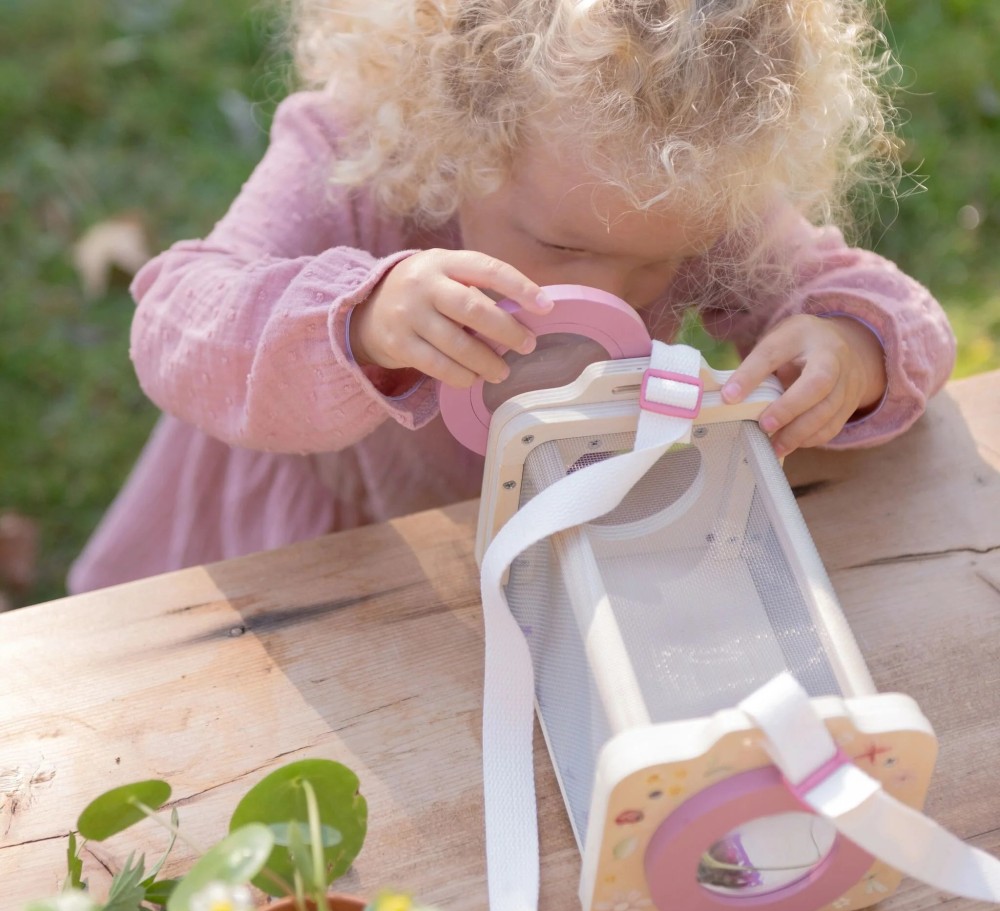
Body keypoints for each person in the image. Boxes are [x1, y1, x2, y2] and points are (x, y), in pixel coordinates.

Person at [68, 0, 955, 593]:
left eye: (656, 267)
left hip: (561, 545)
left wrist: (851, 347)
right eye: (561, 244)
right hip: (322, 547)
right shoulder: (361, 156)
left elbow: (897, 313)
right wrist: (362, 322)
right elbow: (176, 319)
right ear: (457, 127)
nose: (600, 295)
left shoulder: (691, 178)